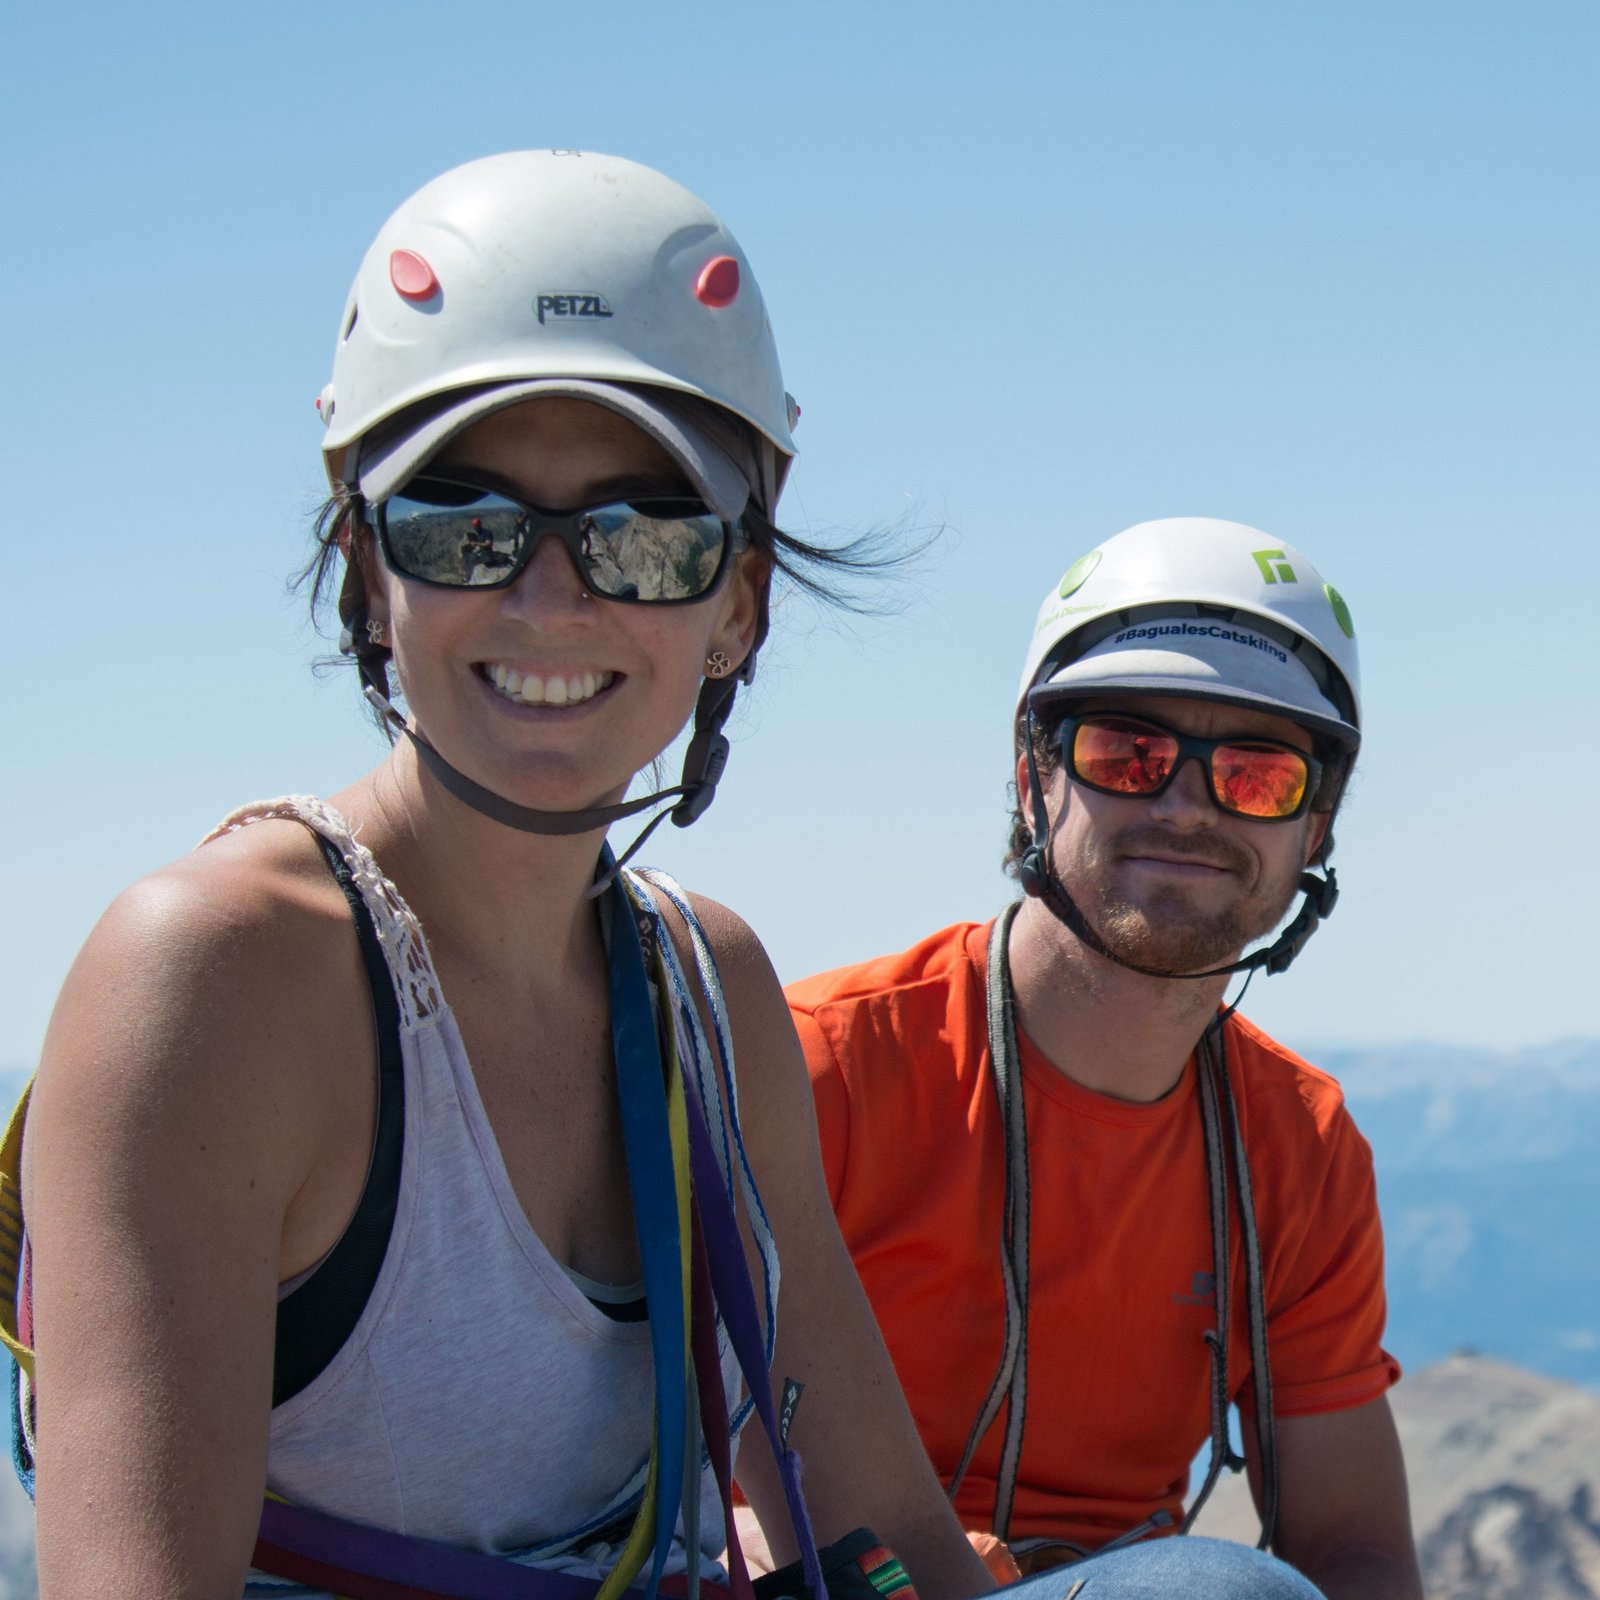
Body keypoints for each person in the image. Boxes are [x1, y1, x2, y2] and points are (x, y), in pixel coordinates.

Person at [1, 149, 1000, 1600]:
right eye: (464, 524)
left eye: (642, 537)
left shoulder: (703, 987)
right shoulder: (219, 977)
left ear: (738, 600)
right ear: (367, 570)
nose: (549, 598)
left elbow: (884, 1525)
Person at [787, 520, 1425, 1600]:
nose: (1184, 803)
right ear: (1033, 775)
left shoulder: (1298, 1148)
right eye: (1125, 753)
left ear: (1315, 826)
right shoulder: (818, 1069)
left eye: (1259, 774)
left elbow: (1354, 1549)